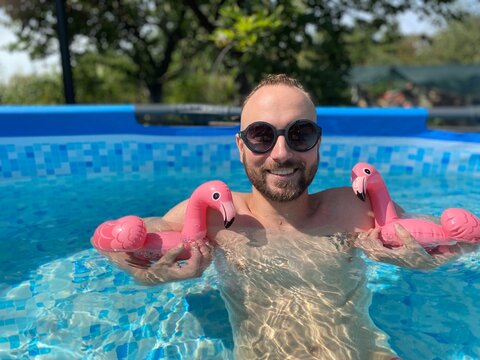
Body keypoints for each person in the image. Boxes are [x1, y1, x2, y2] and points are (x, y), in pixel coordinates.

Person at [102, 74, 471, 359]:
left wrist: (428, 263)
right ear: (241, 147)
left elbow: (456, 241)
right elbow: (119, 243)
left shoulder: (353, 209)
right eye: (262, 136)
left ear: (318, 142)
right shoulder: (212, 218)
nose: (281, 153)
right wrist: (148, 271)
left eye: (300, 133)